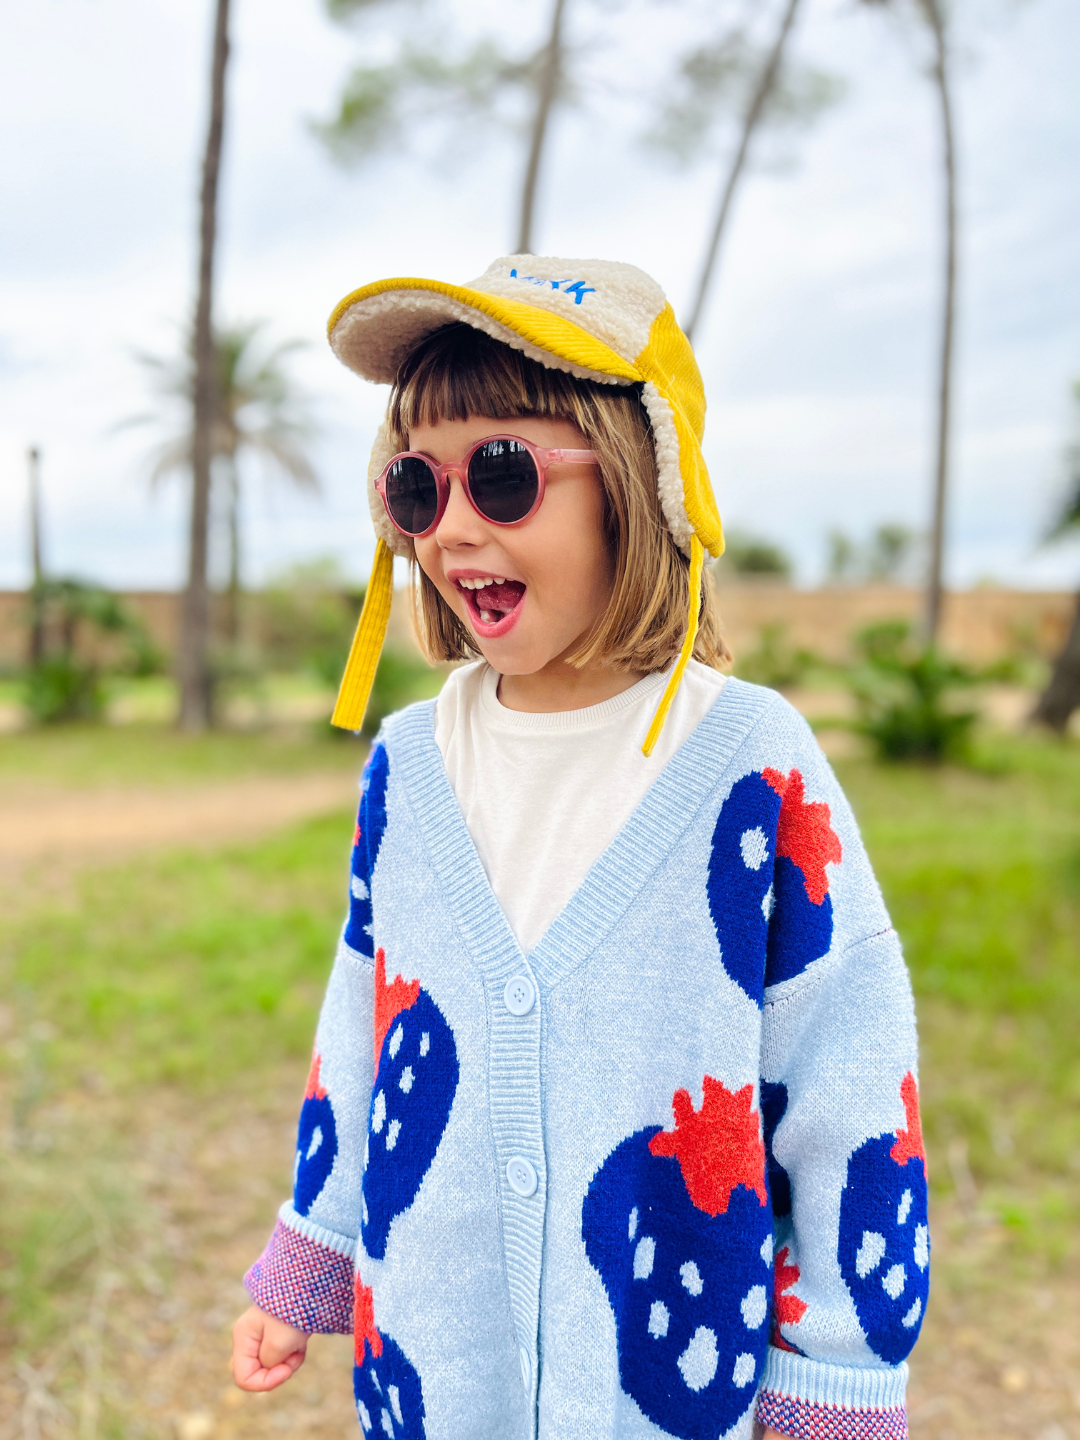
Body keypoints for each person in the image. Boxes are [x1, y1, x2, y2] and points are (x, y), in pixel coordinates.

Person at [231, 257, 928, 1440]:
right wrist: (315, 1242)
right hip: (435, 1372)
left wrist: (838, 1378)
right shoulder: (408, 762)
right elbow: (364, 1021)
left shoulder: (753, 760)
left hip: (660, 1394)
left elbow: (850, 1080)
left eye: (502, 477)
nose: (451, 528)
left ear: (642, 479)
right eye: (415, 486)